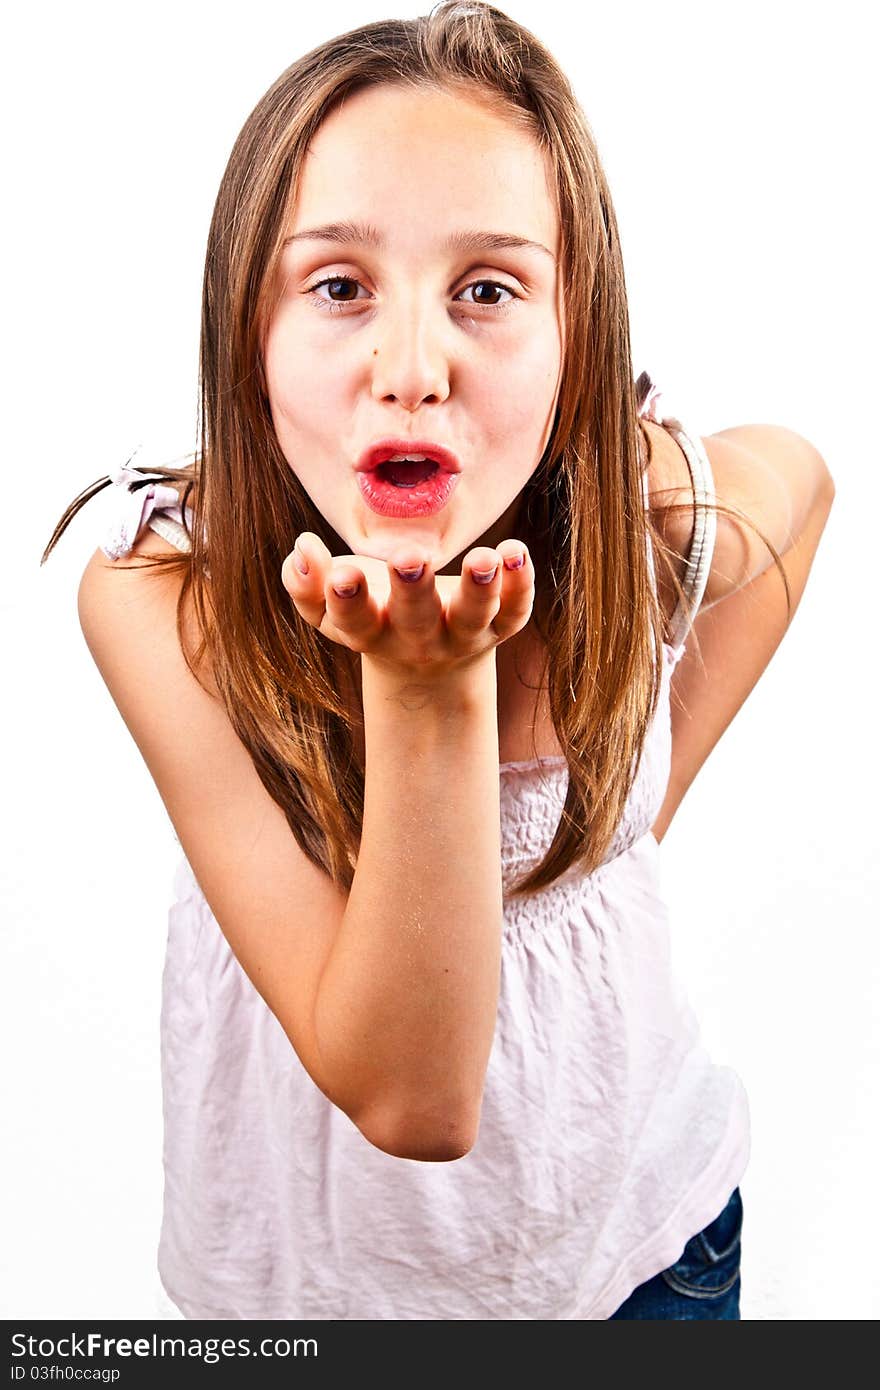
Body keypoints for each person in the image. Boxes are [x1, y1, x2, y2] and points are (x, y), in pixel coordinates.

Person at [41, 0, 835, 1320]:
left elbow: (798, 488)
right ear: (248, 336)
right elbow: (411, 1094)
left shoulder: (627, 540)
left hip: (645, 1266)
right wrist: (423, 689)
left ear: (577, 345)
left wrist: (629, 803)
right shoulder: (163, 601)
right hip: (307, 1306)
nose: (411, 365)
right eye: (340, 287)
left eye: (488, 289)